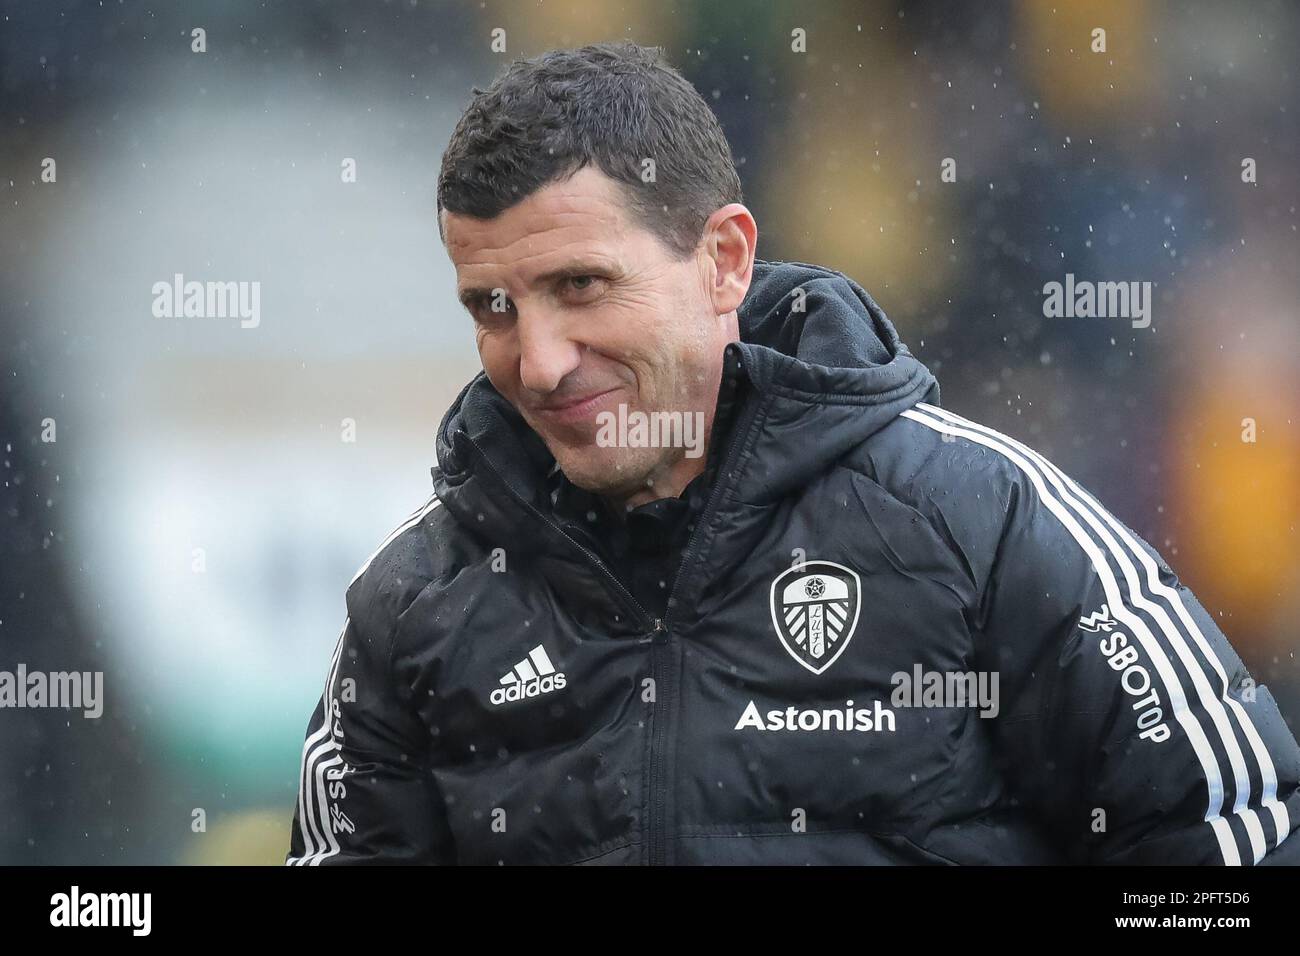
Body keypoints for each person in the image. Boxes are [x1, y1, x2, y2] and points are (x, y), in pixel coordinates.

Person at [286, 41, 1300, 865]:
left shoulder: (987, 523)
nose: (540, 360)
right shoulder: (410, 606)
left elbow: (1230, 841)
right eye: (493, 307)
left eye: (582, 286)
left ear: (723, 260)